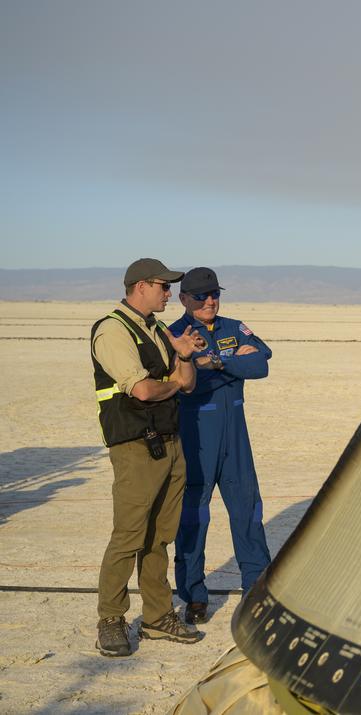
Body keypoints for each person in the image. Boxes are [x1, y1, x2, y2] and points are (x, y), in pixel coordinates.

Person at [90, 258, 206, 657]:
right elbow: (140, 390)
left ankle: (157, 617)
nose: (168, 293)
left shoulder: (155, 330)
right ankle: (111, 618)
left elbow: (185, 384)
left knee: (160, 535)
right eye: (163, 286)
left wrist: (185, 357)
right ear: (140, 286)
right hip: (136, 447)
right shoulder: (112, 329)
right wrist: (172, 382)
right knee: (129, 535)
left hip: (169, 444)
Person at [168, 267, 273, 625]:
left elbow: (260, 363)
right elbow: (187, 383)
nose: (209, 301)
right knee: (193, 517)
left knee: (248, 512)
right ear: (183, 299)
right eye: (200, 296)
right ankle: (194, 596)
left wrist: (215, 361)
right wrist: (232, 364)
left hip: (236, 437)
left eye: (214, 294)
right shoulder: (174, 336)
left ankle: (256, 590)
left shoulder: (234, 326)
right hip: (197, 436)